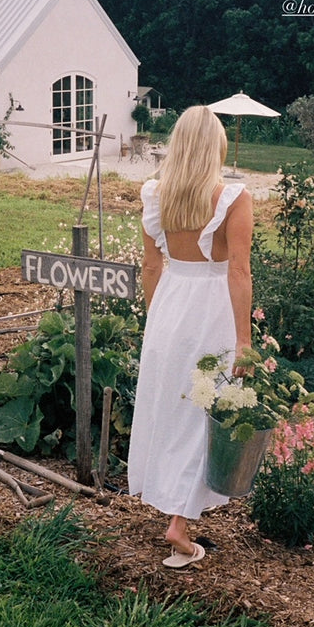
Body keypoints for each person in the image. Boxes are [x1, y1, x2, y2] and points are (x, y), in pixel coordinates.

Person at [127, 105, 254, 569]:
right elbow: (238, 271)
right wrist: (244, 340)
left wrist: (157, 320)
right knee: (203, 413)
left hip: (169, 306)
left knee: (171, 409)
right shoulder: (232, 198)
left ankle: (171, 504)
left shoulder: (156, 195)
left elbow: (150, 266)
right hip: (210, 311)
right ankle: (179, 522)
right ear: (215, 147)